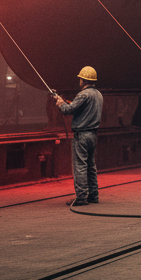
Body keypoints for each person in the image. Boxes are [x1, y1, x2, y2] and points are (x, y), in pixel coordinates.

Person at [56, 66, 104, 206]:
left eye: (80, 79)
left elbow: (68, 110)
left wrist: (60, 103)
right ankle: (93, 195)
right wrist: (66, 101)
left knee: (80, 166)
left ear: (83, 80)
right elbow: (81, 108)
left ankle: (81, 197)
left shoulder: (83, 94)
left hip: (81, 135)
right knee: (90, 166)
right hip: (93, 135)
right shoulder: (98, 95)